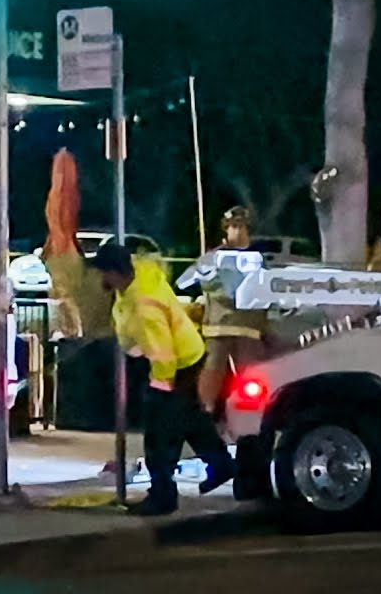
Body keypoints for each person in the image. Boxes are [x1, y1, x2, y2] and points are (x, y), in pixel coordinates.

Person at [90, 243, 235, 516]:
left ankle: (163, 496)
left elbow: (162, 352)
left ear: (115, 272)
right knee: (189, 419)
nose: (101, 279)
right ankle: (221, 463)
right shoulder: (139, 278)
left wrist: (160, 387)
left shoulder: (144, 305)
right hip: (186, 357)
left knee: (160, 434)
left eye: (103, 273)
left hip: (173, 365)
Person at [198, 207, 268, 422]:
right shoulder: (214, 257)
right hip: (220, 324)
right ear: (226, 229)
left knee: (250, 372)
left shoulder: (258, 259)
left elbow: (264, 287)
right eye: (233, 227)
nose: (237, 232)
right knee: (213, 368)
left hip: (249, 326)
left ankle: (252, 416)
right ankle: (205, 412)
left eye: (241, 227)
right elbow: (207, 284)